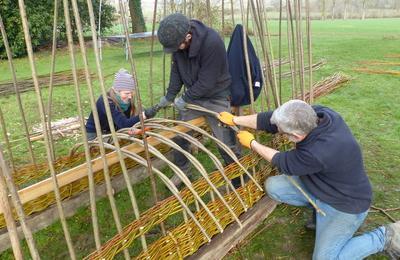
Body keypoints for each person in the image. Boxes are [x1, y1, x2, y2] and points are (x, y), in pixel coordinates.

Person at [218, 99, 400, 259]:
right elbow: (272, 120)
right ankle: (318, 211)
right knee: (274, 187)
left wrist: (252, 143)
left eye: (282, 132)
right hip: (324, 186)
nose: (278, 132)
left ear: (296, 136)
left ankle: (385, 237)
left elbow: (283, 162)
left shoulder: (318, 152)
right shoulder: (319, 114)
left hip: (346, 205)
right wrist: (235, 120)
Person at [156, 13, 241, 186]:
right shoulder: (178, 44)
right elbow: (176, 72)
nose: (175, 51)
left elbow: (207, 82)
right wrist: (170, 96)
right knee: (180, 134)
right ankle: (183, 171)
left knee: (225, 138)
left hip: (216, 95)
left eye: (176, 46)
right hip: (194, 96)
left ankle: (237, 174)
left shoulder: (212, 42)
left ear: (188, 37)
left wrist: (185, 98)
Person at [85, 69, 159, 140]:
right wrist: (144, 115)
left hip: (113, 129)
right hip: (96, 134)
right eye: (127, 93)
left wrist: (133, 129)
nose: (130, 96)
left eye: (131, 93)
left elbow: (126, 121)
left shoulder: (124, 99)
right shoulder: (106, 102)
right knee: (119, 145)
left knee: (140, 111)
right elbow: (124, 124)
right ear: (116, 91)